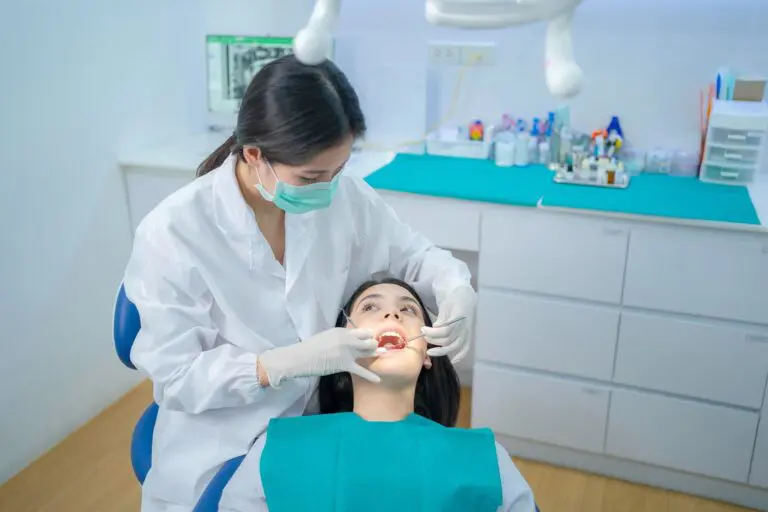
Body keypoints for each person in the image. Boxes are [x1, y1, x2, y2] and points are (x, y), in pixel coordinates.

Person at [123, 54, 477, 511]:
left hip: (320, 429)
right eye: (311, 177)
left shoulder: (344, 198)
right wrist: (278, 365)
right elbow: (176, 378)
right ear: (255, 155)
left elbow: (413, 256)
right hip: (223, 438)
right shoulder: (174, 232)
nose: (329, 188)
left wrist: (455, 287)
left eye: (338, 170)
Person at [218, 277, 536, 512]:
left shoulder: (486, 458)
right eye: (371, 307)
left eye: (408, 309)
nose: (392, 315)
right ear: (338, 349)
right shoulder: (275, 448)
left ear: (428, 354)